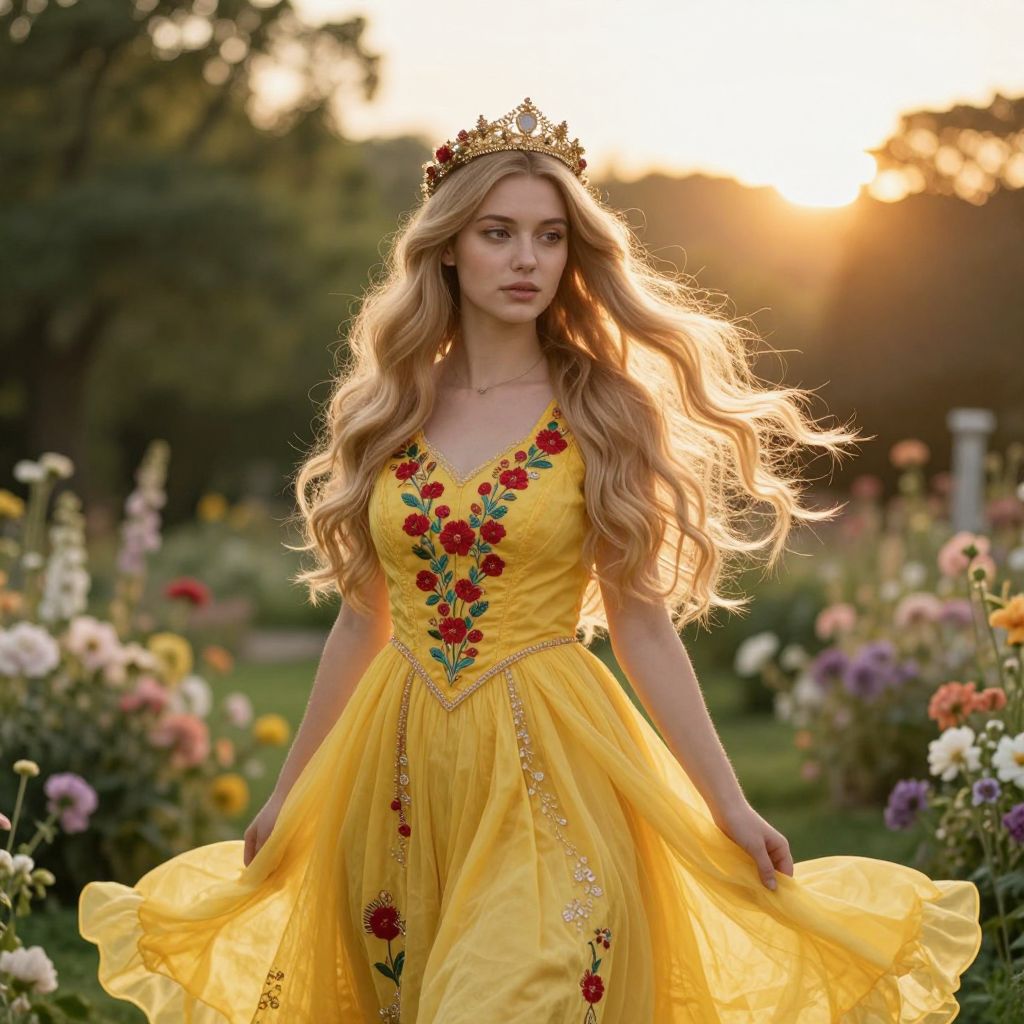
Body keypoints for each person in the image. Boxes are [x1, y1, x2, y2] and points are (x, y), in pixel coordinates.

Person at [79, 96, 982, 1023]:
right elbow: (361, 619)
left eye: (549, 237)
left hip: (550, 758)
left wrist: (727, 803)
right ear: (448, 248)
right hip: (393, 767)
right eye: (498, 232)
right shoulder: (386, 411)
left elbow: (640, 622)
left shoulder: (603, 409)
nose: (526, 259)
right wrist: (288, 795)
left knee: (512, 996)